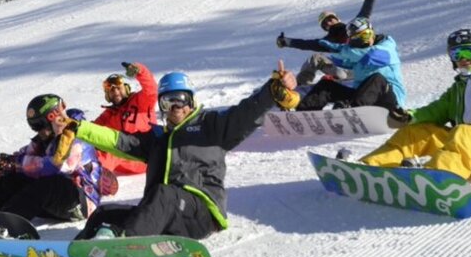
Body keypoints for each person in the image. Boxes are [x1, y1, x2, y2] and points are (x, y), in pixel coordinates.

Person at [52, 65, 299, 240]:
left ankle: (125, 245)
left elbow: (244, 114)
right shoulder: (158, 137)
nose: (175, 107)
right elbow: (117, 140)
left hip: (200, 214)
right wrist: (79, 127)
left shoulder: (210, 126)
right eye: (167, 102)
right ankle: (76, 254)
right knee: (104, 215)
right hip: (163, 213)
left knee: (164, 193)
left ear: (190, 101)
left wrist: (272, 92)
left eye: (180, 99)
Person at [358, 28, 471, 178]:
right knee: (414, 131)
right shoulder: (459, 87)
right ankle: (369, 168)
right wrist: (409, 116)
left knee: (464, 132)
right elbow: (436, 110)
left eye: (468, 52)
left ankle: (436, 177)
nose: (463, 59)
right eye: (456, 54)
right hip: (468, 146)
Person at [0, 94, 106, 223]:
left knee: (49, 183)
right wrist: (10, 162)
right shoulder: (44, 138)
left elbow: (59, 166)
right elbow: (25, 157)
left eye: (39, 124)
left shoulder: (75, 135)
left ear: (54, 118)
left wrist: (18, 164)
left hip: (80, 201)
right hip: (50, 200)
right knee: (13, 179)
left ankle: (5, 223)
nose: (38, 130)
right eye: (34, 126)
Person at [278, 16, 405, 112]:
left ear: (372, 32)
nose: (363, 41)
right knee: (327, 86)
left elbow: (368, 55)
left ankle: (351, 109)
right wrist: (330, 50)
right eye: (357, 39)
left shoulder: (386, 48)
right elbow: (343, 60)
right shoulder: (357, 53)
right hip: (362, 99)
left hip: (390, 101)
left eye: (366, 35)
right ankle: (304, 112)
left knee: (377, 79)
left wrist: (338, 49)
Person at [278, 0, 379, 86]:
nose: (329, 23)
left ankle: (301, 86)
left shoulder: (354, 27)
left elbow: (365, 12)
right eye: (325, 24)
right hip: (347, 71)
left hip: (356, 69)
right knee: (316, 59)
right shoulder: (328, 41)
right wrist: (286, 41)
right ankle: (302, 87)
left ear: (337, 19)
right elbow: (305, 44)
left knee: (317, 59)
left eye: (330, 19)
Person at [92, 61, 158, 175]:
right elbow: (92, 129)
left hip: (146, 154)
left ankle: (96, 176)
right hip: (126, 158)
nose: (116, 92)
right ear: (107, 96)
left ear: (126, 88)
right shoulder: (109, 114)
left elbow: (152, 89)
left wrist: (140, 71)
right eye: (111, 90)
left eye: (119, 88)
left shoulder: (140, 101)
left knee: (113, 149)